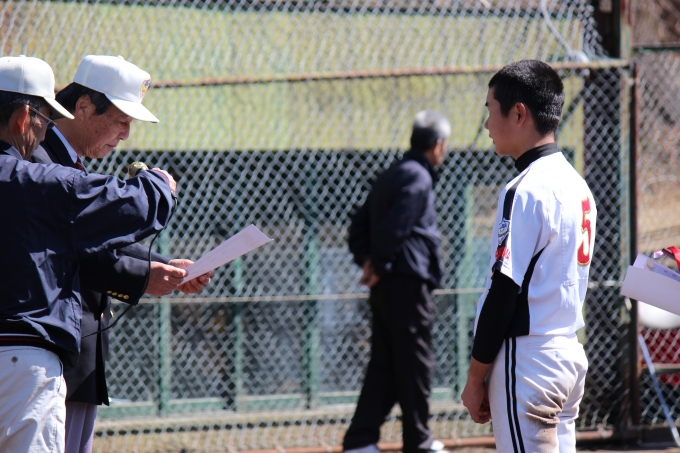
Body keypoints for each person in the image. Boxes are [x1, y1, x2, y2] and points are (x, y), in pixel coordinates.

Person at [30, 54, 213, 453]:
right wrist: (144, 277)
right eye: (121, 120)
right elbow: (71, 250)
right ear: (83, 106)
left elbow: (94, 238)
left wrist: (159, 265)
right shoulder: (39, 162)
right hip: (45, 359)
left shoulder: (65, 161)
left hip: (71, 360)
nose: (126, 135)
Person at [0, 55, 177, 453]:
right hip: (25, 358)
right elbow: (128, 210)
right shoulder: (37, 172)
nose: (125, 134)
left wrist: (155, 265)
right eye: (44, 116)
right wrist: (158, 185)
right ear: (23, 119)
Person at [460, 60, 596, 453]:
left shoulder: (525, 188)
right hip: (567, 354)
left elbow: (505, 291)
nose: (487, 123)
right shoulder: (578, 184)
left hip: (530, 361)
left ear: (519, 113)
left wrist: (475, 378)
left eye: (490, 109)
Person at [344, 111, 450, 453]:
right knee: (416, 362)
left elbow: (358, 226)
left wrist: (369, 261)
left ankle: (361, 441)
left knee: (385, 363)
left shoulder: (391, 173)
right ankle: (418, 441)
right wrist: (380, 262)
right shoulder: (418, 177)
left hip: (386, 285)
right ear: (438, 145)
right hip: (408, 284)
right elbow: (398, 225)